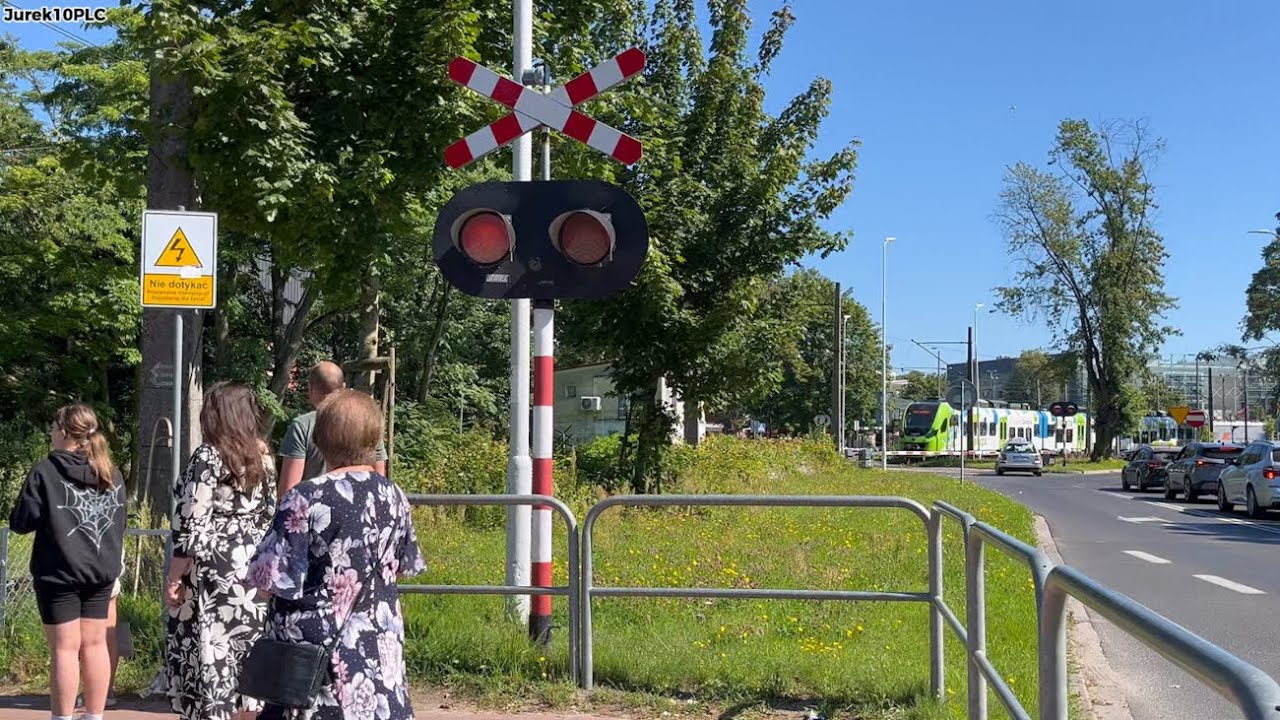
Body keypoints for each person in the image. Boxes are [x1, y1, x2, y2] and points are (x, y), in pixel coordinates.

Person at [249, 389, 424, 720]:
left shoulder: (306, 497)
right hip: (378, 650)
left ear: (320, 437)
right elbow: (401, 565)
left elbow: (267, 579)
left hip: (314, 662)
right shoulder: (394, 496)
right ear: (373, 439)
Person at [153, 382, 276, 720]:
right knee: (245, 663)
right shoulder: (264, 455)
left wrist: (174, 577)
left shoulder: (208, 455)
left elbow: (191, 524)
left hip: (212, 572)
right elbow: (270, 513)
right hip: (251, 571)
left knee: (210, 658)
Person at [9, 404, 127, 720]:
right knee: (94, 645)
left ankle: (62, 718)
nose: (50, 433)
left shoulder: (45, 471)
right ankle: (94, 716)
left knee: (63, 649)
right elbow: (119, 522)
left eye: (52, 427)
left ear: (63, 432)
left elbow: (22, 521)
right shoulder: (110, 472)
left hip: (58, 572)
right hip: (100, 571)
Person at [279, 361, 387, 497]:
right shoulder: (365, 420)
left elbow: (289, 491)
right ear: (343, 387)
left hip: (314, 509)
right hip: (362, 507)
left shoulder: (302, 426)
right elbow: (379, 476)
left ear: (310, 388)